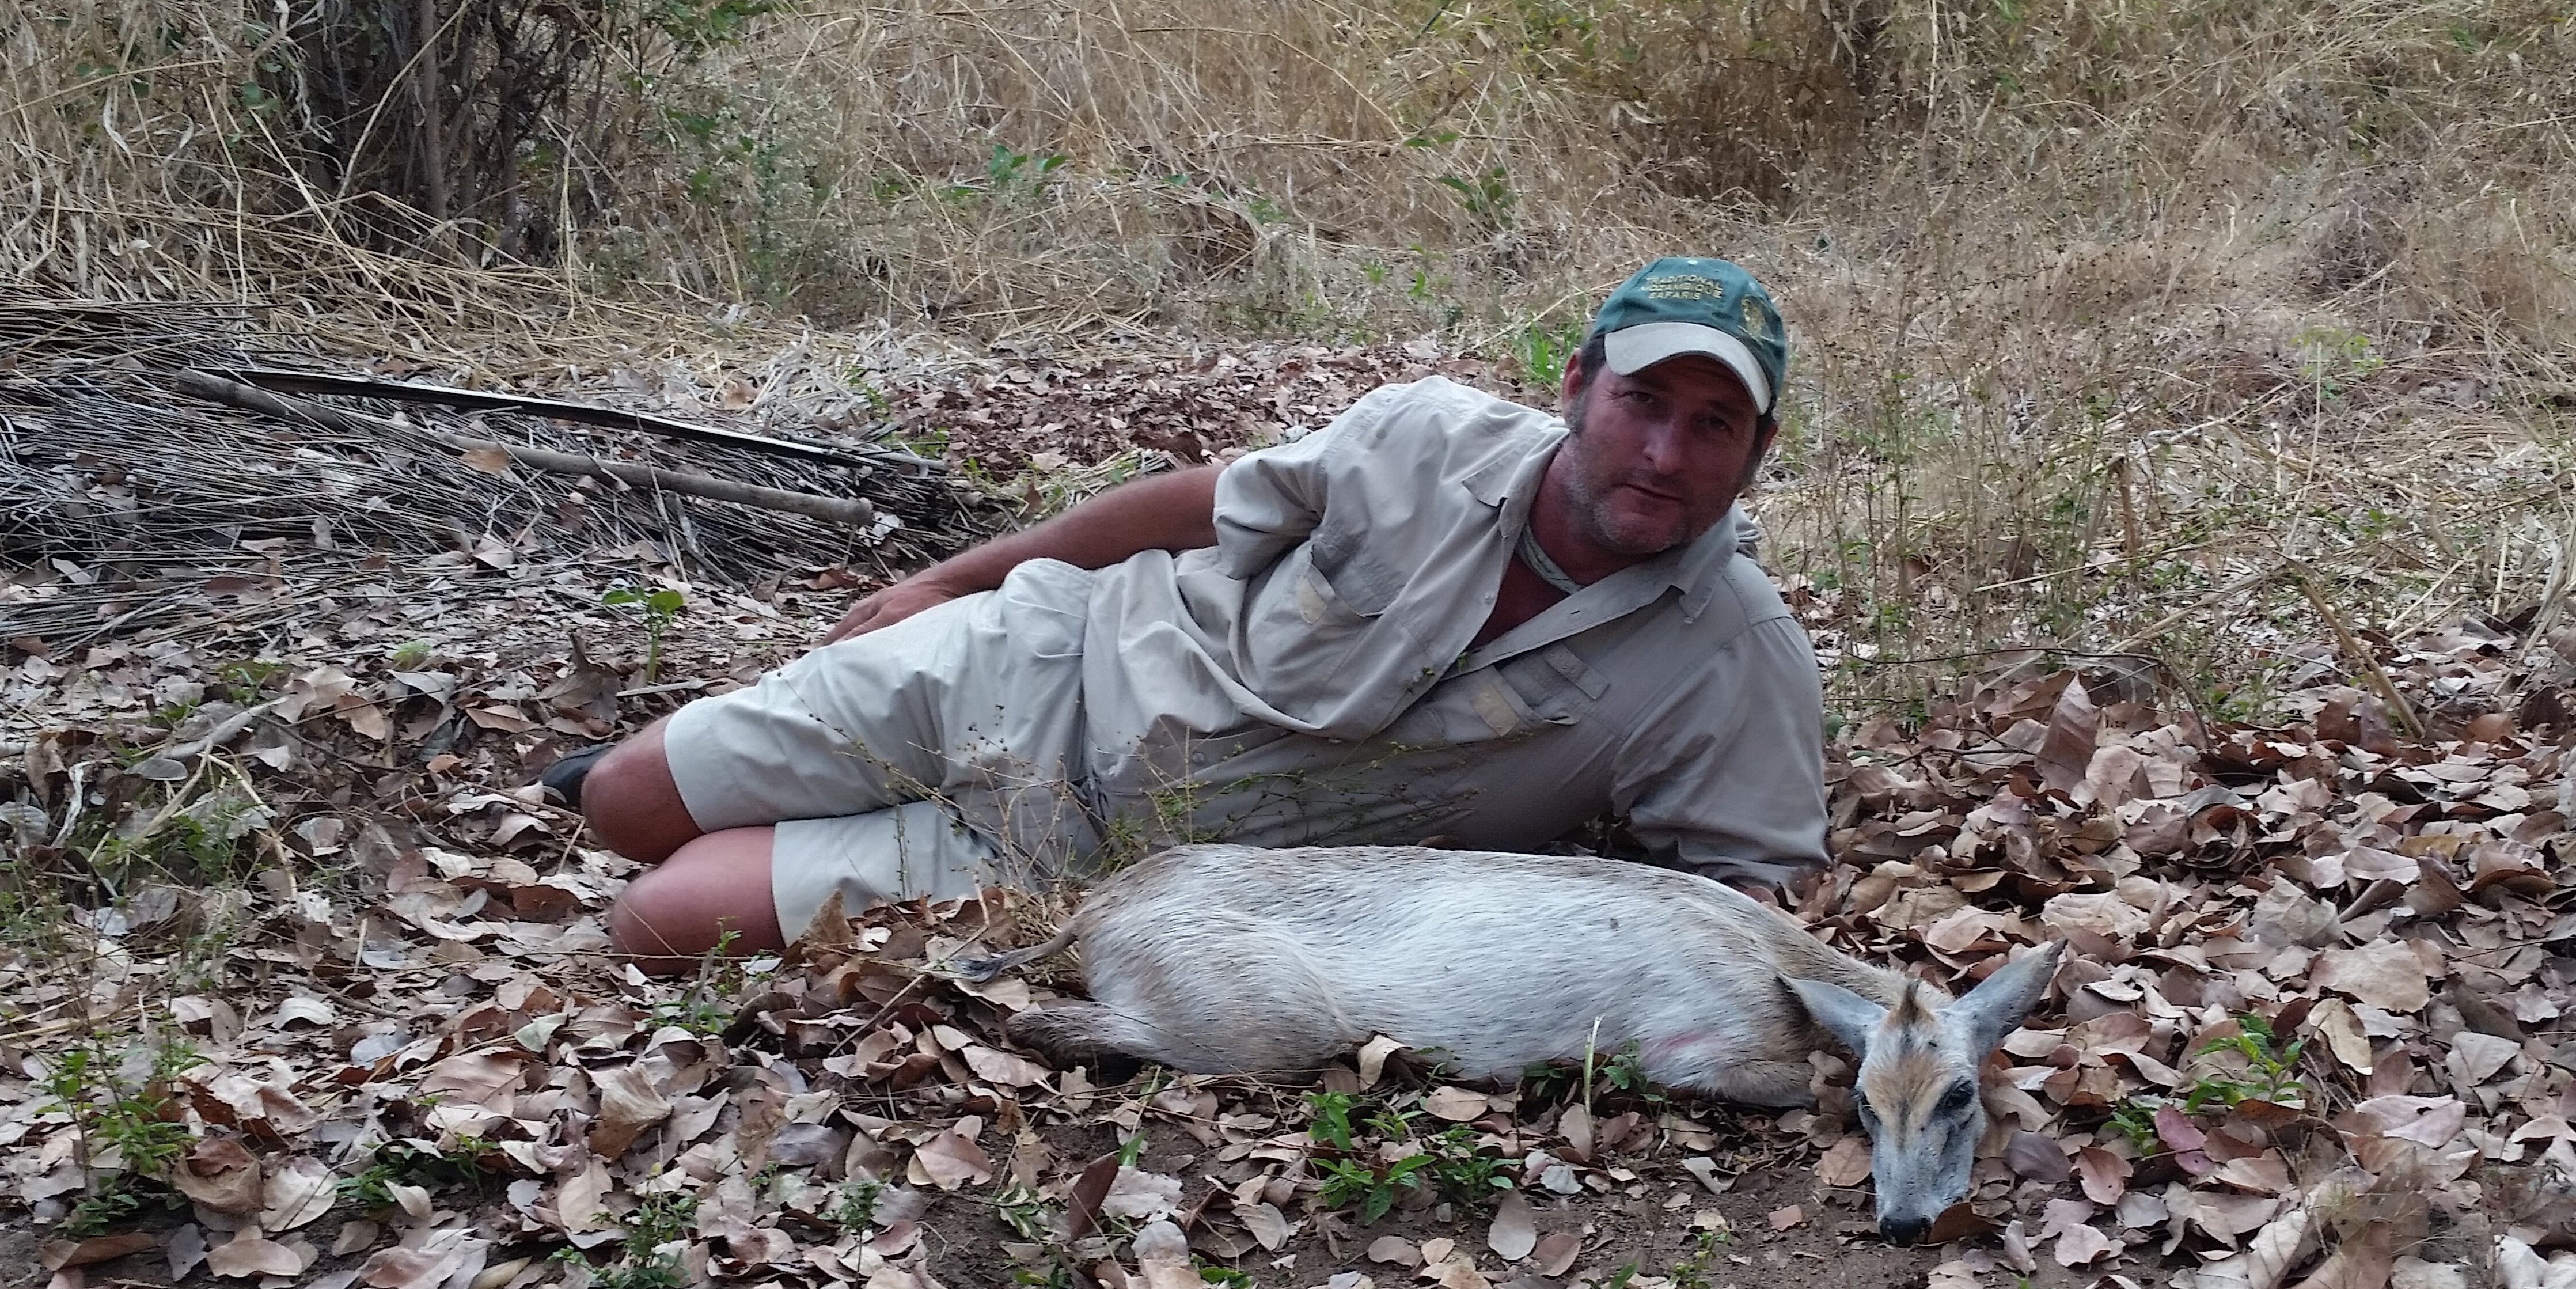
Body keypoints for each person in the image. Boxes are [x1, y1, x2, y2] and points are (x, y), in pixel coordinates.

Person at [559, 256, 1832, 966]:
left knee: (657, 922)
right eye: (1641, 404)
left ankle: (814, 824)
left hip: (1098, 864)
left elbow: (1744, 912)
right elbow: (1190, 507)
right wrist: (961, 578)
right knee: (622, 800)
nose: (1665, 453)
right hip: (1049, 662)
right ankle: (717, 770)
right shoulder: (1421, 438)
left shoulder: (1735, 656)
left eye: (1710, 423)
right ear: (1575, 389)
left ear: (1757, 449)